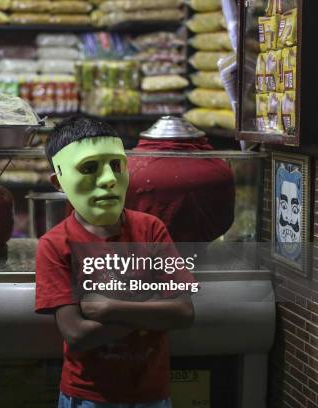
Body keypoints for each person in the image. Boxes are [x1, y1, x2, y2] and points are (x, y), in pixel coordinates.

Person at [35, 117, 196, 408]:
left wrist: (110, 308)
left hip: (151, 393)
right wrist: (150, 306)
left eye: (117, 165)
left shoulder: (151, 229)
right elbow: (77, 334)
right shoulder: (56, 244)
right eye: (89, 167)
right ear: (59, 181)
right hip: (86, 396)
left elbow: (183, 313)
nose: (109, 179)